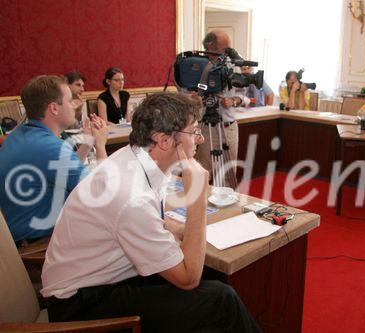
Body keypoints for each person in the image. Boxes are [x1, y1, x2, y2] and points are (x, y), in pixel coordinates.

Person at [41, 92, 261, 333]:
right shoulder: (131, 196)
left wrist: (176, 228)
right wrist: (197, 200)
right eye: (194, 131)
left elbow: (146, 217)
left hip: (103, 278)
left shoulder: (134, 157)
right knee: (220, 298)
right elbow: (188, 279)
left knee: (214, 280)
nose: (199, 140)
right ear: (165, 141)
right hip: (79, 304)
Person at [0, 75, 108, 244]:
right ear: (54, 108)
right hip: (41, 242)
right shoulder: (50, 147)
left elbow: (61, 169)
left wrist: (87, 144)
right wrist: (101, 145)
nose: (74, 105)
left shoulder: (19, 136)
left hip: (17, 233)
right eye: (70, 100)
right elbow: (101, 195)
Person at [195, 30, 250, 185]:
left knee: (228, 174)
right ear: (210, 47)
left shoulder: (233, 65)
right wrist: (195, 98)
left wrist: (233, 100)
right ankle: (200, 207)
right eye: (225, 48)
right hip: (206, 128)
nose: (229, 52)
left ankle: (228, 207)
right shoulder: (198, 66)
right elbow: (187, 93)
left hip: (229, 128)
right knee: (202, 173)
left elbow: (243, 96)